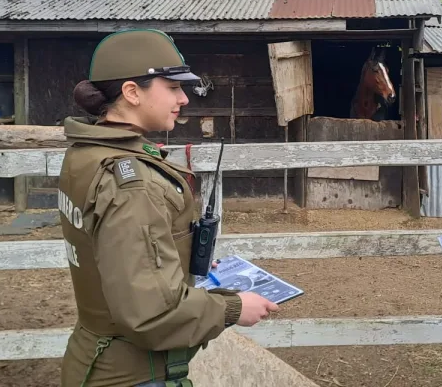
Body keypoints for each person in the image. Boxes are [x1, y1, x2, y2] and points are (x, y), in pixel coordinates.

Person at [58, 29, 279, 387]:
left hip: (97, 358)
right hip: (133, 375)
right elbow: (150, 312)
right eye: (173, 88)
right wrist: (233, 308)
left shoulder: (88, 153)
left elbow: (116, 254)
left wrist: (180, 252)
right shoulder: (132, 182)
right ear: (132, 92)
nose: (184, 99)